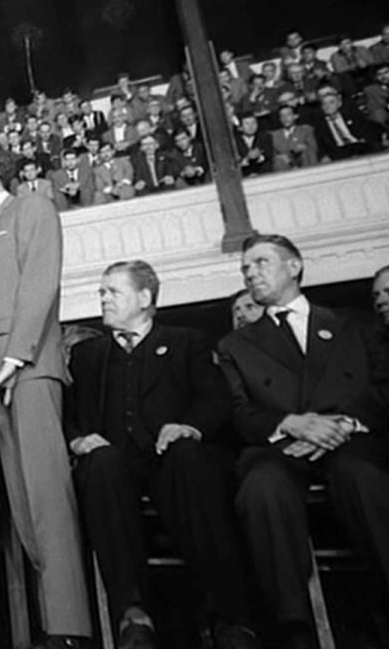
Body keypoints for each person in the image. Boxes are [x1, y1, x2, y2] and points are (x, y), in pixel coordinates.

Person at [217, 234, 389, 649]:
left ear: (294, 266)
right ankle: (293, 626)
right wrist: (292, 423)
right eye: (246, 268)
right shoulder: (235, 345)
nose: (250, 273)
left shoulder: (353, 324)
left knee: (362, 475)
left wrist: (344, 423)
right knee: (262, 486)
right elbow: (239, 412)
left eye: (261, 263)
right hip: (283, 445)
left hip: (352, 439)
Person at [66, 261, 258, 649]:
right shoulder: (88, 354)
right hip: (117, 461)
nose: (102, 298)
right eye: (101, 291)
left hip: (173, 458)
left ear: (144, 298)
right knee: (100, 465)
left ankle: (228, 617)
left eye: (112, 291)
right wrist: (79, 440)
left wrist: (189, 426)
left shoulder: (187, 341)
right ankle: (133, 615)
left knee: (189, 458)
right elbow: (71, 415)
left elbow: (214, 399)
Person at [0, 142, 91, 649]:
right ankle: (54, 622)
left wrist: (15, 357)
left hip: (27, 370)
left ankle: (70, 628)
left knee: (47, 497)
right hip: (0, 382)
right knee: (23, 502)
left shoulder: (31, 207)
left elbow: (39, 284)